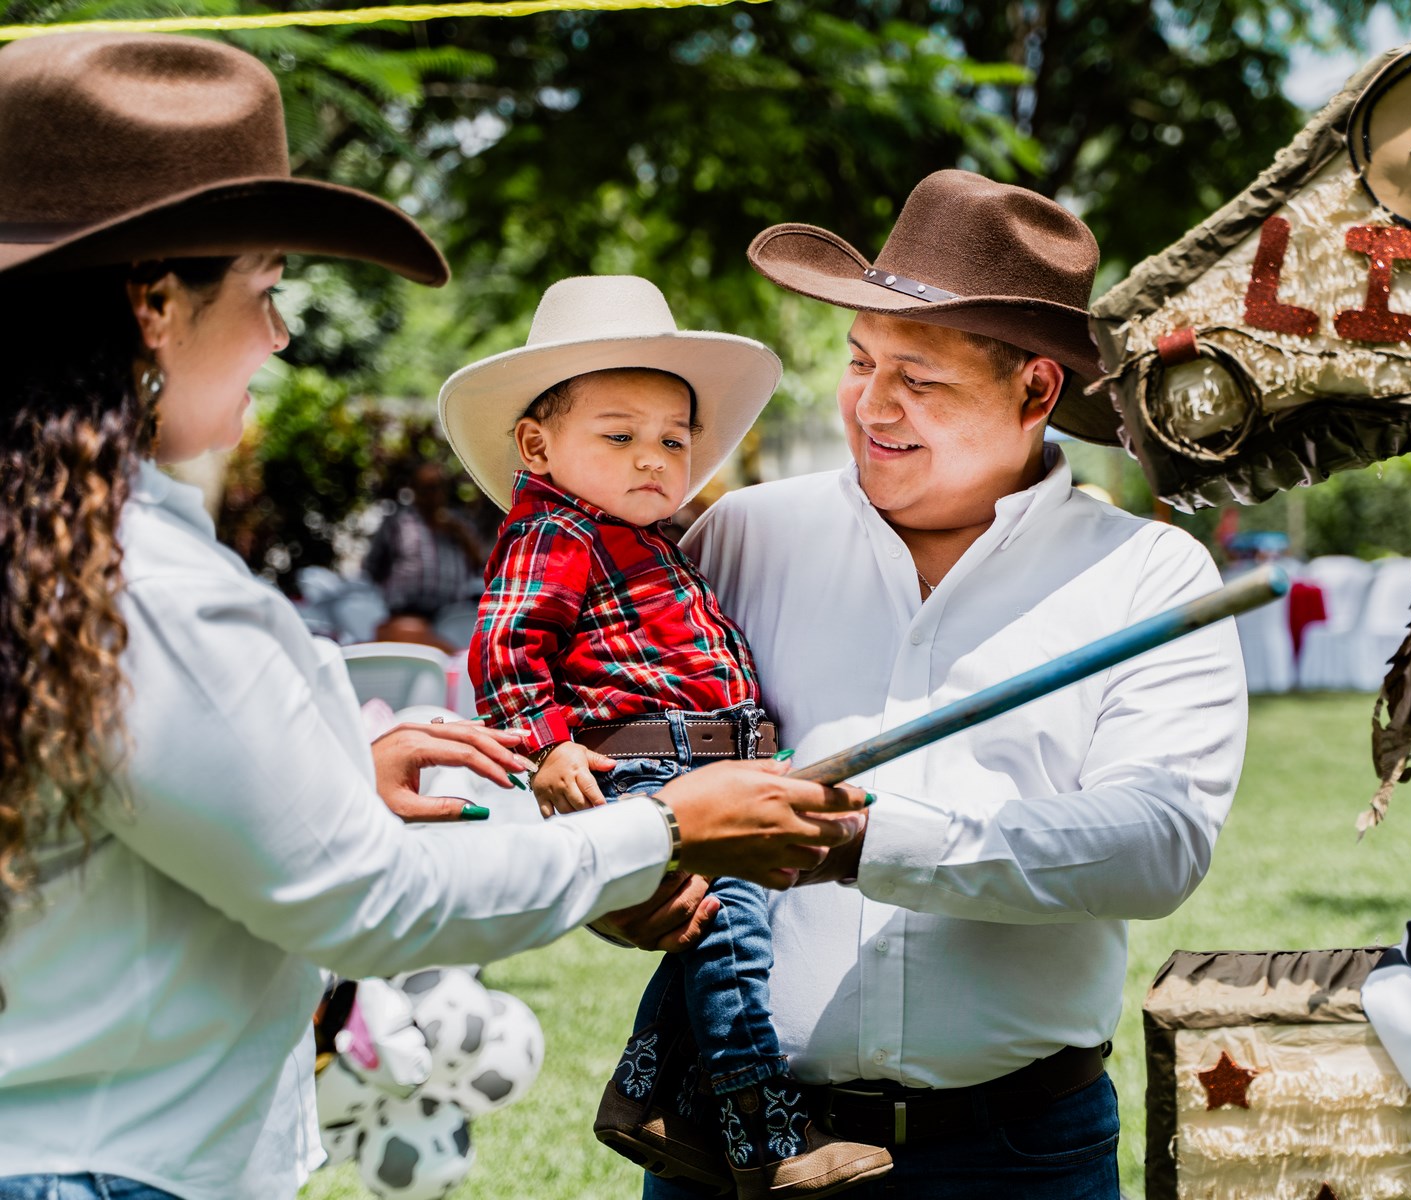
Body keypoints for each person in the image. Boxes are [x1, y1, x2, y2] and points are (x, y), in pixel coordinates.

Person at [0, 33, 861, 1200]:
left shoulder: (62, 549)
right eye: (264, 291)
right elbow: (370, 905)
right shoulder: (148, 587)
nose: (280, 335)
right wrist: (664, 829)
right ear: (155, 306)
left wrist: (334, 780)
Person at [635, 170, 1249, 1198]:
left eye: (918, 377)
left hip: (1015, 1154)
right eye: (859, 360)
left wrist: (866, 842)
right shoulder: (743, 537)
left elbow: (1157, 844)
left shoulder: (1149, 575)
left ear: (1036, 391)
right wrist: (629, 871)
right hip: (734, 1144)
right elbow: (635, 754)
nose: (871, 403)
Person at [440, 275, 892, 1198]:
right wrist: (547, 748)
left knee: (711, 927)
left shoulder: (641, 536)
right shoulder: (554, 531)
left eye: (674, 441)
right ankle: (764, 1134)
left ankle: (649, 1095)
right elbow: (505, 643)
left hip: (701, 756)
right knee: (731, 937)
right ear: (537, 445)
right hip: (648, 761)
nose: (652, 459)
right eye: (619, 437)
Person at [362, 460, 485, 642]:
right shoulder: (398, 523)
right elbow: (372, 568)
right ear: (415, 489)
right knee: (406, 632)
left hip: (454, 616)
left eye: (437, 488)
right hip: (407, 614)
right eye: (427, 488)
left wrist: (461, 535)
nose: (432, 495)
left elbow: (481, 567)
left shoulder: (459, 525)